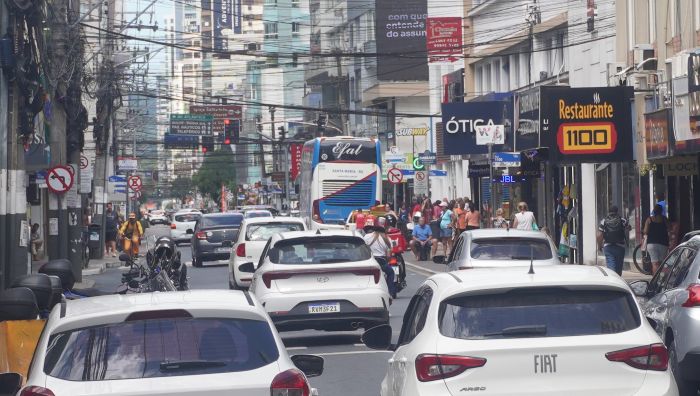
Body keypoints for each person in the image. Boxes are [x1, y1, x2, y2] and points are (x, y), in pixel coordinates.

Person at [363, 217, 396, 298]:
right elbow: (388, 256)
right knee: (391, 273)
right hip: (382, 262)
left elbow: (363, 251)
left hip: (370, 261)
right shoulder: (388, 239)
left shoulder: (367, 237)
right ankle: (390, 294)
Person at [597, 205, 630, 276]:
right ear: (617, 211)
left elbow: (599, 235)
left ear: (608, 212)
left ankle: (613, 282)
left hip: (608, 247)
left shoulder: (604, 221)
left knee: (611, 269)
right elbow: (629, 228)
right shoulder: (622, 220)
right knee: (619, 268)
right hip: (620, 247)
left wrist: (599, 245)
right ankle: (618, 282)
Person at [644, 204, 671, 274]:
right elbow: (669, 228)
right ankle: (661, 279)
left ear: (654, 211)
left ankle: (655, 280)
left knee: (655, 263)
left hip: (651, 243)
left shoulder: (649, 219)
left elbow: (645, 231)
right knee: (662, 263)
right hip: (663, 243)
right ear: (661, 211)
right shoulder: (664, 219)